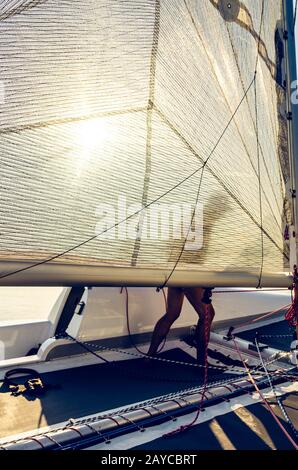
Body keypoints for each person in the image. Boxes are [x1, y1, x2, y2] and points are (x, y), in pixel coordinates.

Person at [147, 287, 215, 365]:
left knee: (172, 313)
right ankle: (202, 364)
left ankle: (149, 356)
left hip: (175, 276)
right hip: (191, 277)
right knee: (208, 314)